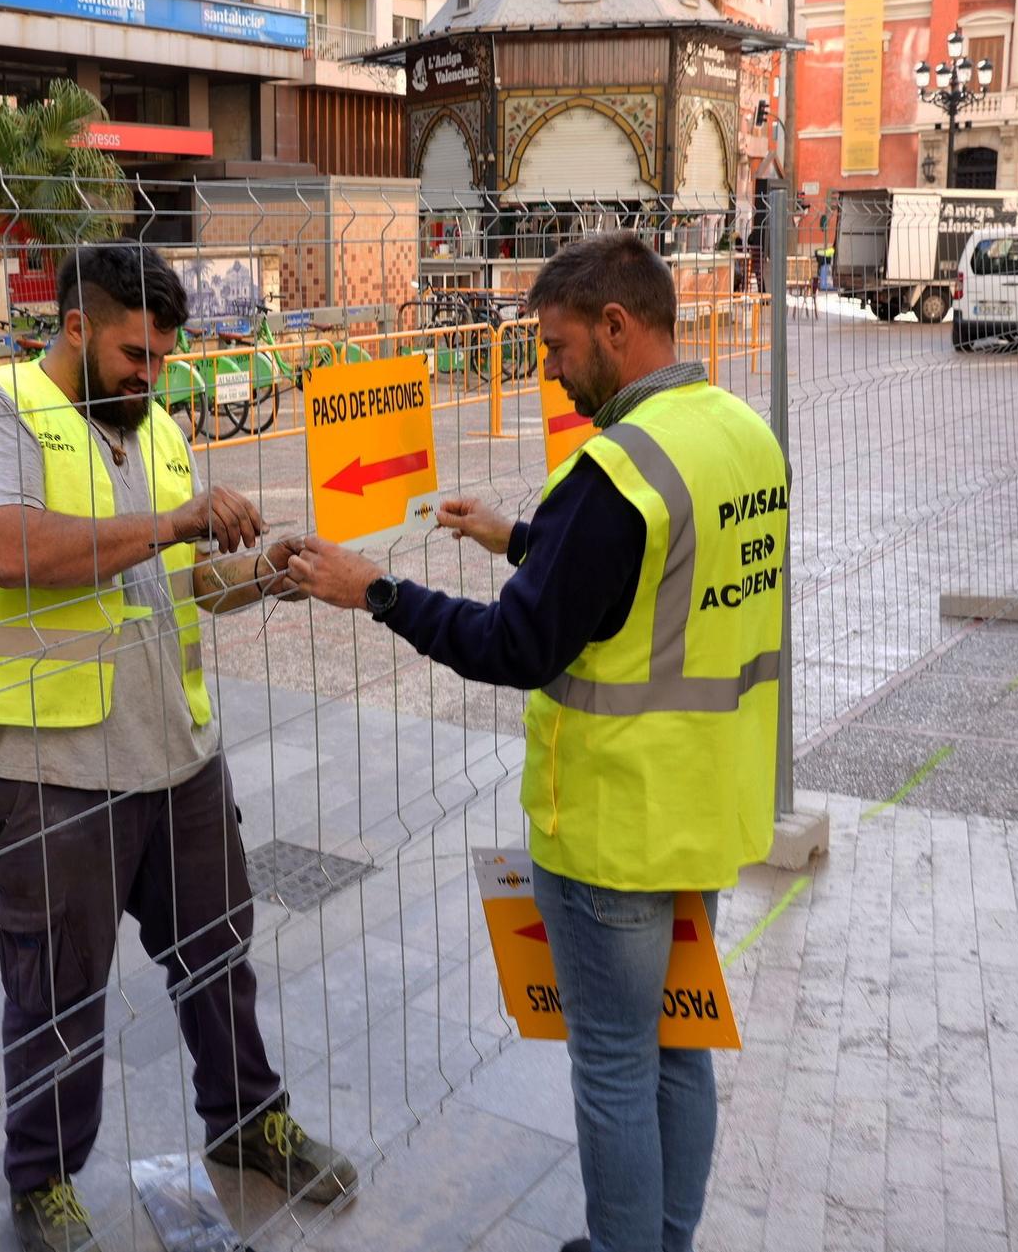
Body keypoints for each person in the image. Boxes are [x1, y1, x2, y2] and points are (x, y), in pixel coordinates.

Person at [286, 232, 788, 1252]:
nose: (549, 372)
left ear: (614, 324)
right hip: (705, 799)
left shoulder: (612, 470)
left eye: (556, 347)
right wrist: (516, 537)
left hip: (611, 821)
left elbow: (517, 642)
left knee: (611, 1061)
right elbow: (648, 576)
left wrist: (373, 590)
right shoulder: (739, 433)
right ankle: (664, 1239)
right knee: (676, 1049)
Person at [0, 243, 356, 1252]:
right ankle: (44, 1181)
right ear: (75, 325)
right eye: (132, 351)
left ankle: (249, 1123)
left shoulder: (151, 424)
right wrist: (172, 522)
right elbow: (7, 549)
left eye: (162, 354)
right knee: (57, 988)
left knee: (219, 957)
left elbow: (168, 583)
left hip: (175, 754)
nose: (149, 372)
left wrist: (261, 574)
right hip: (46, 768)